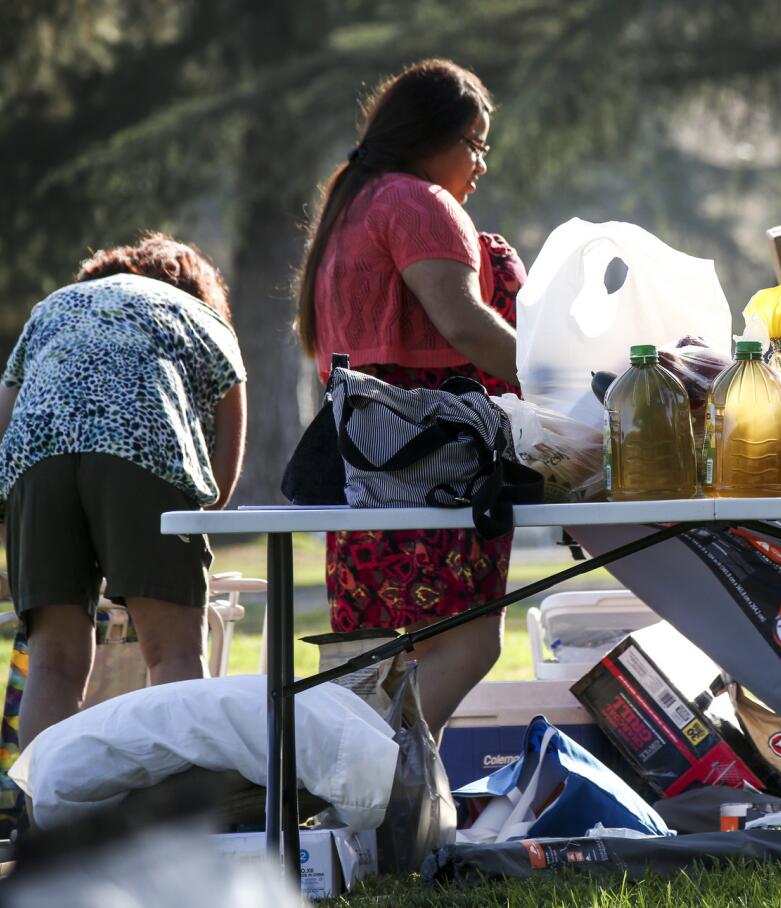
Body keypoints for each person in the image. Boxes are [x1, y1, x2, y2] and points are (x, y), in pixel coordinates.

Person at [296, 58, 521, 737]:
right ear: (433, 136)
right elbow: (461, 322)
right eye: (474, 142)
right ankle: (382, 777)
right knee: (471, 640)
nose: (481, 163)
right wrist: (556, 381)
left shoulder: (352, 202)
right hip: (431, 451)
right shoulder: (420, 203)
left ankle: (382, 808)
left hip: (363, 457)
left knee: (391, 651)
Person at [0, 233, 247, 749]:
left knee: (53, 667)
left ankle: (43, 820)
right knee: (174, 657)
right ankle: (179, 816)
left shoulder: (55, 307)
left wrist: (25, 554)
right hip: (143, 453)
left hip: (36, 461)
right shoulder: (204, 319)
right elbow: (218, 489)